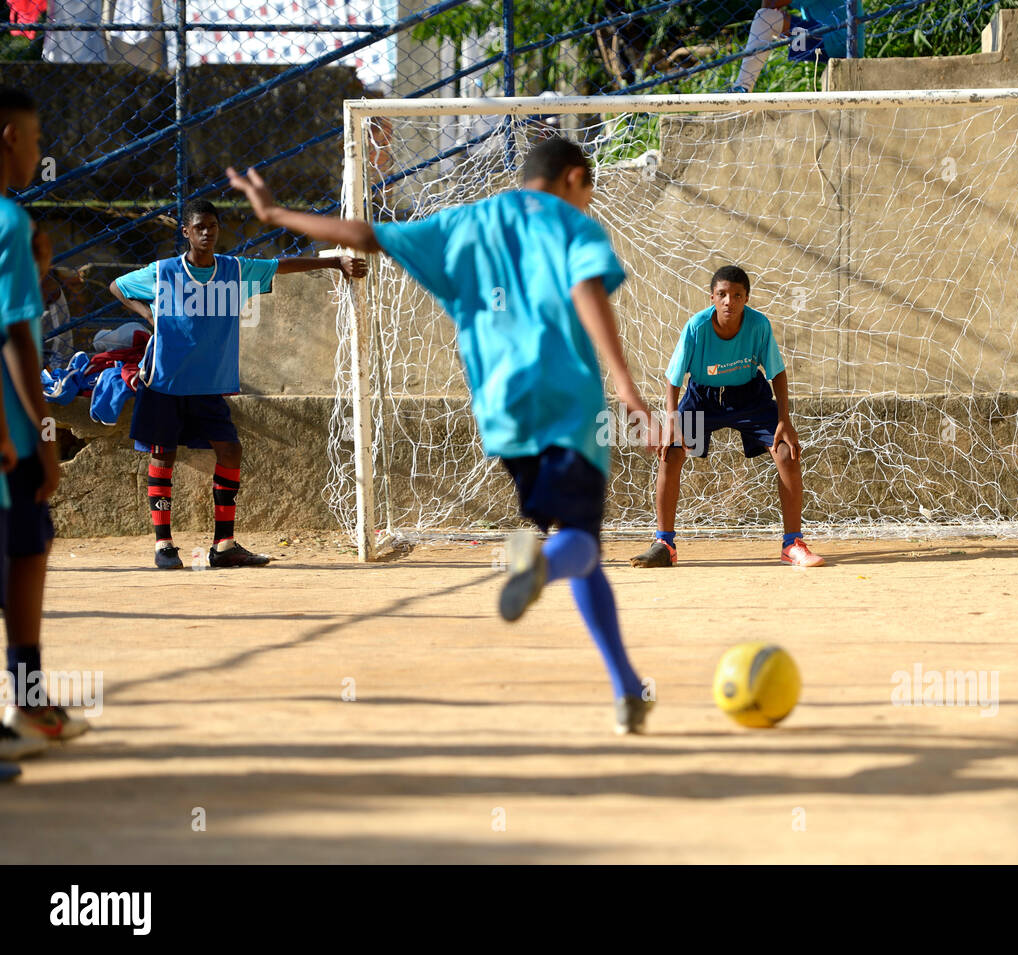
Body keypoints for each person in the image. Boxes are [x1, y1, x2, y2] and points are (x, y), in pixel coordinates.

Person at [227, 137, 662, 734]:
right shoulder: (570, 223)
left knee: (578, 548)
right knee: (581, 543)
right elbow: (586, 292)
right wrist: (628, 388)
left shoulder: (463, 223)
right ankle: (534, 562)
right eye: (588, 191)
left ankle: (626, 688)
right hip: (566, 402)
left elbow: (364, 235)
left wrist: (275, 215)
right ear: (574, 179)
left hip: (504, 413)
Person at [109, 198, 367, 569]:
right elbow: (117, 287)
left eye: (212, 226)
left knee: (230, 452)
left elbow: (281, 266)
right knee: (163, 453)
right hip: (165, 381)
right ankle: (164, 544)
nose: (206, 232)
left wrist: (334, 261)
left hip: (208, 385)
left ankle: (224, 545)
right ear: (186, 232)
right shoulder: (164, 272)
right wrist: (150, 315)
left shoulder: (234, 270)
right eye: (199, 227)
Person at [630, 265, 824, 569]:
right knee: (671, 452)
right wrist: (670, 421)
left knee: (787, 453)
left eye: (737, 295)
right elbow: (673, 379)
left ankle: (792, 544)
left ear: (746, 298)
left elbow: (777, 372)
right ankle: (664, 543)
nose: (729, 301)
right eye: (722, 294)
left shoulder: (759, 325)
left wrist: (784, 419)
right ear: (712, 298)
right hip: (703, 398)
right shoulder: (696, 327)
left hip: (749, 397)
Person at [0, 87, 86, 746]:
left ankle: (29, 703)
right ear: (8, 139)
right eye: (33, 140)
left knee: (30, 546)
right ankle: (27, 701)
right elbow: (18, 339)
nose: (39, 153)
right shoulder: (10, 224)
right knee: (25, 551)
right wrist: (44, 431)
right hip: (11, 428)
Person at [731, 0, 864, 94]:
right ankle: (742, 88)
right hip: (831, 37)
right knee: (768, 18)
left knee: (765, 17)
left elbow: (770, 4)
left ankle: (742, 88)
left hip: (837, 40)